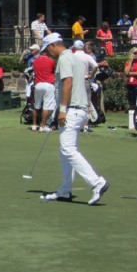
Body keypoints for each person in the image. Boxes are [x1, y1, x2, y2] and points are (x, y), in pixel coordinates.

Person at [39, 33, 110, 205]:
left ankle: (96, 182)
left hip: (71, 110)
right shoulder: (76, 57)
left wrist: (62, 110)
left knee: (68, 149)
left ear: (52, 46)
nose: (48, 55)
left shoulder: (64, 59)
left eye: (47, 51)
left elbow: (68, 83)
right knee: (65, 151)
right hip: (78, 110)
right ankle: (65, 190)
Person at [32, 48, 56, 132]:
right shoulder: (51, 61)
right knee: (47, 106)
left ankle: (34, 125)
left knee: (36, 106)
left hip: (38, 84)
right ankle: (43, 126)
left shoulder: (35, 60)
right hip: (48, 84)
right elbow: (54, 71)